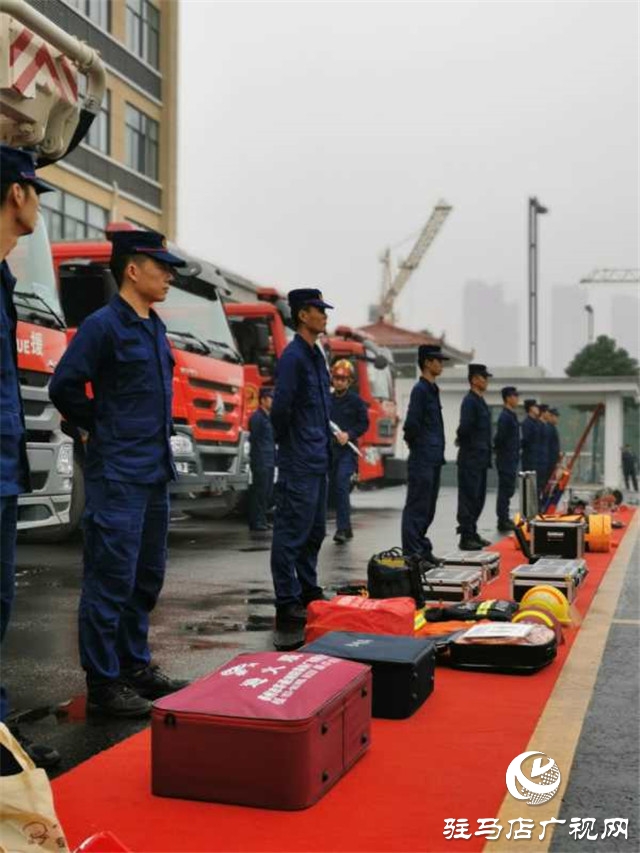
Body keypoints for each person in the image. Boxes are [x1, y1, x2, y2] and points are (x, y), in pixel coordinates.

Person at [49, 230, 189, 718]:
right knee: (110, 578)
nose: (169, 275)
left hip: (153, 472)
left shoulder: (154, 328)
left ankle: (135, 666)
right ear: (133, 269)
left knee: (146, 576)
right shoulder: (103, 326)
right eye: (161, 266)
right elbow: (65, 386)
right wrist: (94, 427)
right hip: (118, 473)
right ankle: (104, 684)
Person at [0, 145, 60, 771]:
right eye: (37, 191)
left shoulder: (6, 278)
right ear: (16, 192)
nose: (40, 204)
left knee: (0, 607)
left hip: (6, 466)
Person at [269, 288, 333, 634]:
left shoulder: (316, 354)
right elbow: (281, 409)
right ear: (302, 315)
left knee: (314, 531)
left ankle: (308, 590)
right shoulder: (294, 356)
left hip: (317, 457)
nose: (324, 315)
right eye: (318, 310)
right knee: (291, 532)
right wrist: (290, 442)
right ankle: (286, 601)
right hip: (299, 458)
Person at [401, 344, 449, 563]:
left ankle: (422, 548)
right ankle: (412, 554)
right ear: (427, 362)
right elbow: (411, 425)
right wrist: (419, 447)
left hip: (433, 457)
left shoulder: (433, 389)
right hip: (422, 457)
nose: (441, 364)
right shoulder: (420, 390)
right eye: (437, 360)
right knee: (417, 505)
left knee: (428, 507)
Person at [329, 359, 369, 544]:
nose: (339, 381)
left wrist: (349, 434)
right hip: (329, 450)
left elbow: (364, 423)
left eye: (343, 379)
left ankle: (343, 529)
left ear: (349, 381)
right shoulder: (327, 399)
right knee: (325, 489)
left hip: (347, 451)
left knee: (341, 486)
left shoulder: (356, 401)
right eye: (336, 378)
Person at [455, 363, 493, 551]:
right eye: (483, 378)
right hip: (470, 457)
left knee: (478, 497)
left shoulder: (481, 401)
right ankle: (465, 536)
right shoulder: (470, 401)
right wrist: (462, 442)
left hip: (481, 457)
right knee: (468, 497)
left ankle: (472, 531)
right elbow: (465, 428)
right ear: (474, 379)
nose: (486, 381)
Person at [248, 387, 275, 532]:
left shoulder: (269, 417)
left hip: (270, 460)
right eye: (271, 398)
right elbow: (255, 439)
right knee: (260, 491)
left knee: (267, 492)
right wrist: (257, 458)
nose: (273, 401)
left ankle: (262, 519)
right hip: (261, 460)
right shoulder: (257, 417)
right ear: (263, 400)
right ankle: (256, 521)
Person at [493, 385, 520, 532]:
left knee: (508, 489)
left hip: (511, 458)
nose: (517, 399)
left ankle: (504, 517)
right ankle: (502, 520)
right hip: (505, 459)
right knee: (504, 490)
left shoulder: (511, 415)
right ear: (508, 398)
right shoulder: (505, 416)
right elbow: (500, 438)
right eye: (515, 396)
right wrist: (503, 454)